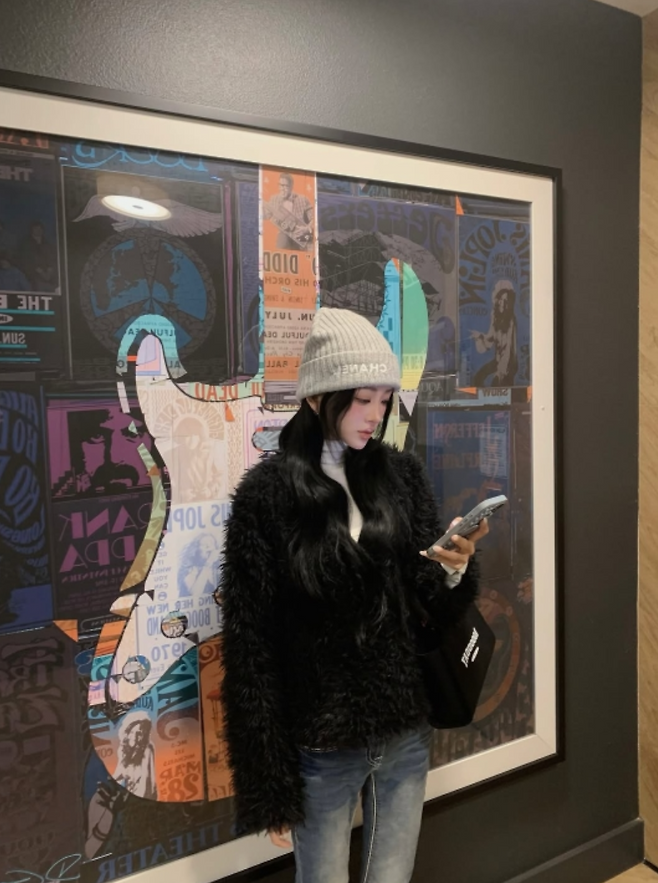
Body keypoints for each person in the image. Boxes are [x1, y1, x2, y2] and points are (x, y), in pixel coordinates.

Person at [220, 307, 487, 882]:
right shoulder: (267, 496)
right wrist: (268, 779)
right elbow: (250, 644)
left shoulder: (401, 476)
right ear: (319, 398)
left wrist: (454, 569)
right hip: (322, 742)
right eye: (362, 399)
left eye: (385, 400)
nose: (376, 414)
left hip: (404, 729)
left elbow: (428, 603)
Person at [472, 278, 518, 387]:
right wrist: (480, 337)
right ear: (496, 300)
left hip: (509, 364)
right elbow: (490, 340)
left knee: (497, 385)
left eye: (506, 300)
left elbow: (508, 352)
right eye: (501, 299)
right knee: (478, 378)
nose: (503, 303)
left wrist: (500, 373)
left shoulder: (511, 320)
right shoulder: (495, 316)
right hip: (498, 360)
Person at [263, 172, 314, 250]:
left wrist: (307, 229)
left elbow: (314, 219)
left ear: (291, 186)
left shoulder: (303, 200)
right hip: (283, 241)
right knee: (282, 237)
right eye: (280, 185)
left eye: (285, 186)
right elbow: (265, 216)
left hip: (301, 240)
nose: (282, 188)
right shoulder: (274, 199)